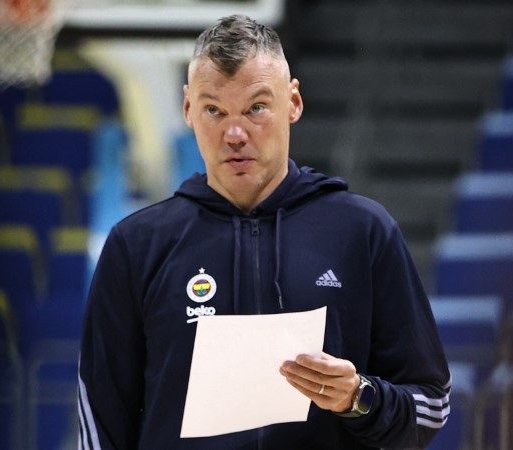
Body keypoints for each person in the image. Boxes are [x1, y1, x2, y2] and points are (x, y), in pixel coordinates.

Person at [77, 14, 451, 450]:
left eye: (256, 108)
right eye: (214, 110)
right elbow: (100, 424)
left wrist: (358, 398)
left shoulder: (363, 232)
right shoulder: (135, 245)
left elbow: (431, 404)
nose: (235, 134)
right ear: (188, 110)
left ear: (293, 102)